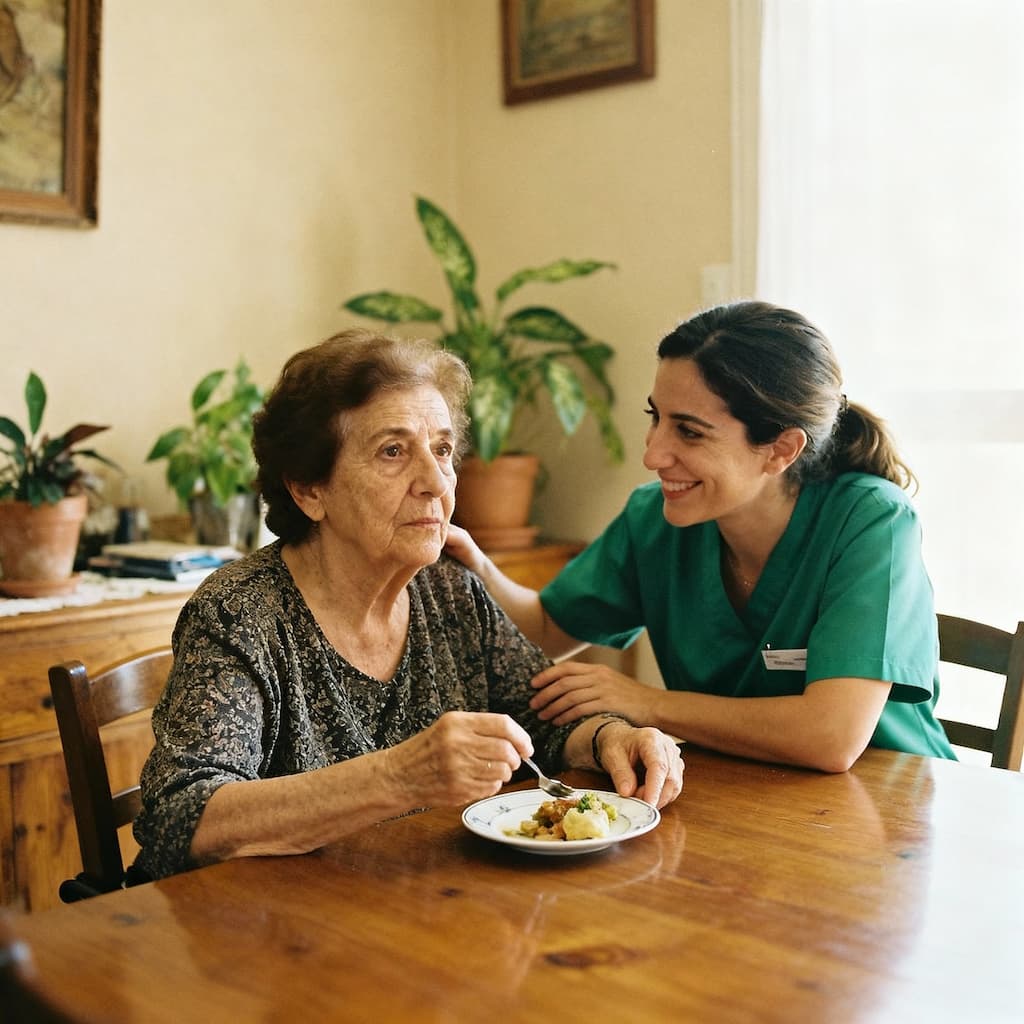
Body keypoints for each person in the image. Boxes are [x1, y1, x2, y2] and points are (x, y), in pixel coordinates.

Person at [132, 330, 683, 881]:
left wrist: (614, 738)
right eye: (393, 451)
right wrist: (399, 777)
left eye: (442, 449)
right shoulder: (241, 612)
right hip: (271, 931)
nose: (435, 482)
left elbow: (549, 718)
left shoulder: (449, 589)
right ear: (308, 490)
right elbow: (183, 819)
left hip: (412, 908)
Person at [445, 301, 956, 773]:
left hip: (885, 813)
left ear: (781, 449)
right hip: (736, 797)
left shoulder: (871, 519)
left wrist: (646, 703)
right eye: (656, 418)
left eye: (689, 431)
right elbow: (551, 628)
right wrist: (477, 569)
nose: (653, 454)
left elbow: (831, 737)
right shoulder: (655, 518)